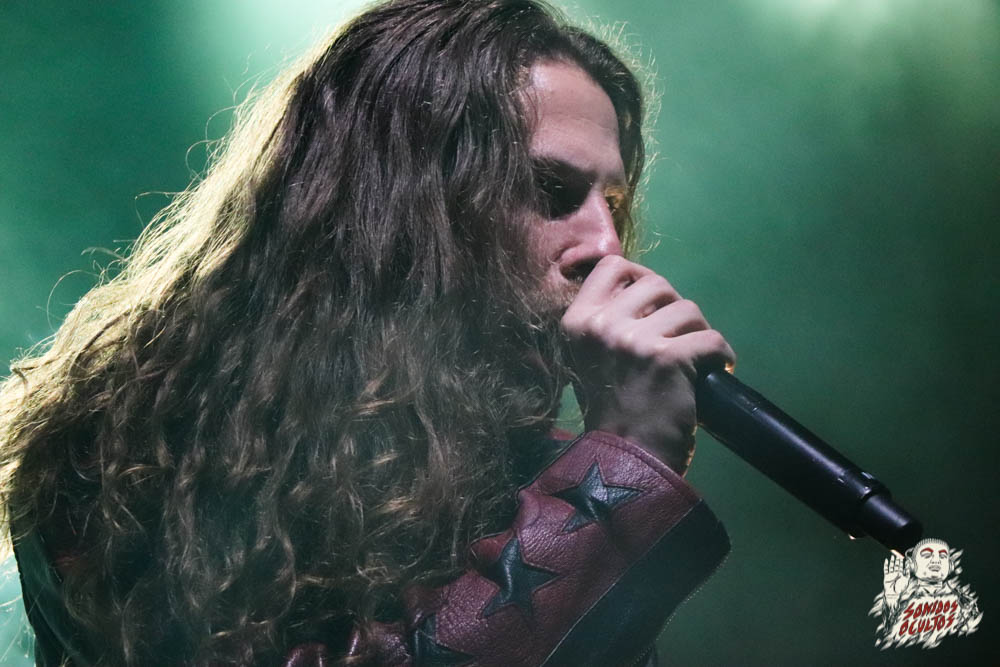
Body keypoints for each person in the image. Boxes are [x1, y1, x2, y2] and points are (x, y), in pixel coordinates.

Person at [0, 0, 735, 664]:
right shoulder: (132, 447)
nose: (606, 246)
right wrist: (622, 474)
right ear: (403, 196)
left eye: (613, 203)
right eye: (550, 189)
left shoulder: (522, 464)